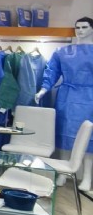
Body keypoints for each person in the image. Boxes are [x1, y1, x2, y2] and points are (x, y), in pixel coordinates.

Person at [36, 16, 93, 190]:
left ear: (92, 29)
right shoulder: (62, 51)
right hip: (67, 97)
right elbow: (52, 72)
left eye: (84, 27)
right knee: (64, 134)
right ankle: (63, 172)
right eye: (77, 27)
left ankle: (87, 177)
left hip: (89, 97)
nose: (80, 30)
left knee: (88, 137)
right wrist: (43, 89)